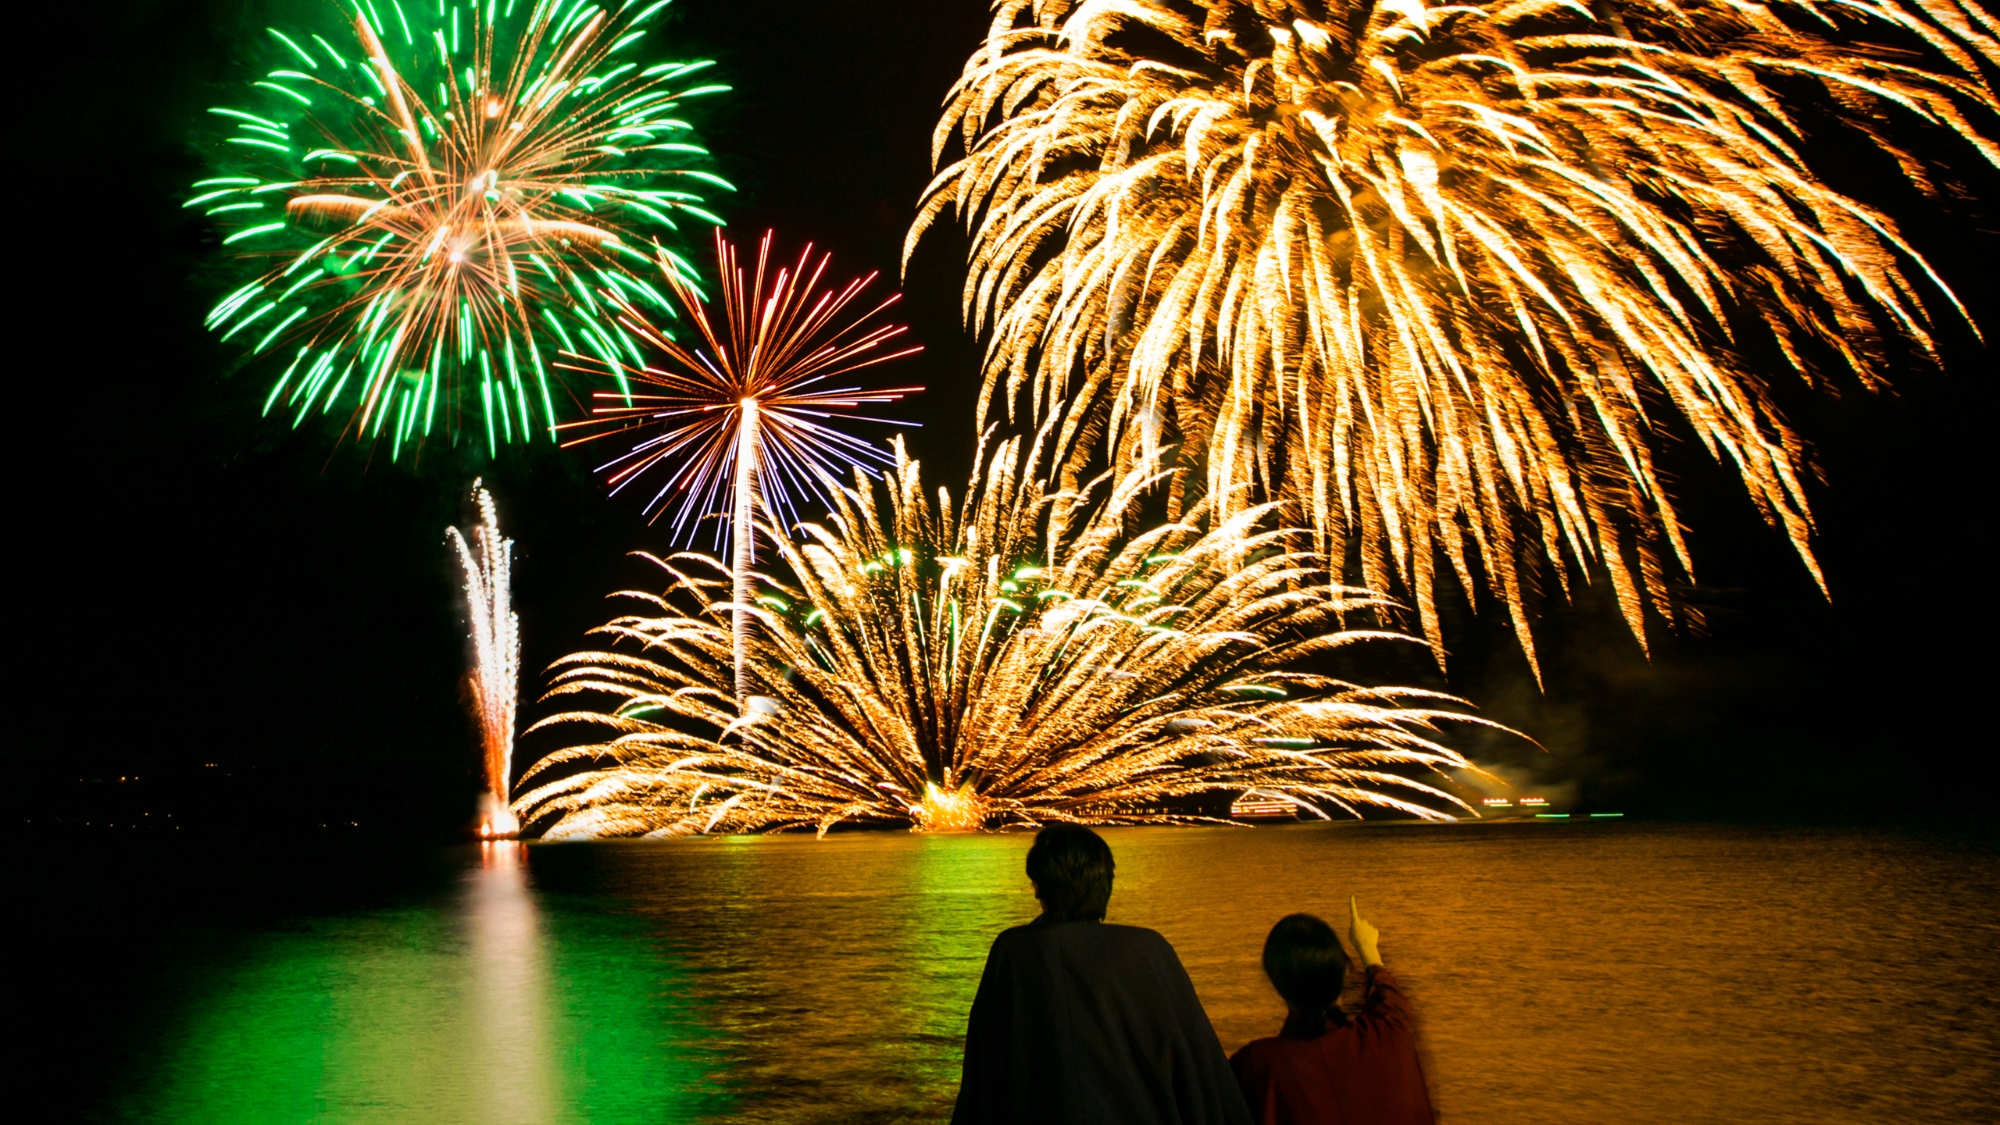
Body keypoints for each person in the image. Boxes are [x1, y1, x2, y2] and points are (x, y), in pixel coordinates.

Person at [952, 824, 1253, 1125]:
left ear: (1039, 887)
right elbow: (1200, 1065)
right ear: (1105, 883)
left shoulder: (1012, 953)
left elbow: (984, 1075)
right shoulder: (1148, 951)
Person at [1229, 898, 1436, 1125]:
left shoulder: (1256, 1067)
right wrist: (1368, 949)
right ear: (1343, 973)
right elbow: (1390, 1000)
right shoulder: (1389, 1034)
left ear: (1276, 982)